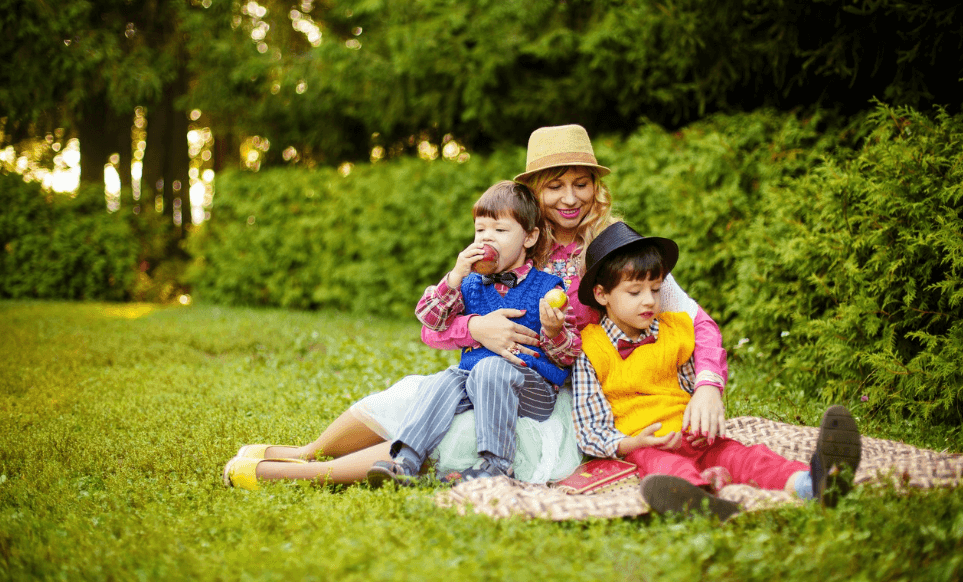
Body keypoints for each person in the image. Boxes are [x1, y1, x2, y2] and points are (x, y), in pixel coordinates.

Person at [222, 124, 728, 489]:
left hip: (562, 393)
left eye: (582, 183)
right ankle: (306, 451)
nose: (570, 198)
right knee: (414, 397)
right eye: (554, 185)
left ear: (597, 187)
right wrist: (477, 327)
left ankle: (305, 473)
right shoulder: (506, 241)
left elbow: (693, 321)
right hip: (485, 366)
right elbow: (435, 327)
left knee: (455, 430)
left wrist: (708, 386)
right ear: (532, 191)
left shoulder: (615, 248)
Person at [571, 221, 863, 520]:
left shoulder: (675, 330)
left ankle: (813, 484)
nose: (649, 300)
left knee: (748, 456)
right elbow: (592, 429)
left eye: (656, 289)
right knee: (668, 469)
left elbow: (690, 389)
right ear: (602, 294)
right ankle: (700, 501)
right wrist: (635, 442)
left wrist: (702, 426)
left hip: (694, 437)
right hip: (647, 444)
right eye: (635, 292)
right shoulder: (590, 349)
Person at [365, 180, 580, 487]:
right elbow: (430, 320)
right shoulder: (468, 284)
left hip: (532, 388)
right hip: (475, 380)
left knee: (491, 368)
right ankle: (406, 461)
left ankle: (497, 465)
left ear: (529, 237)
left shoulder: (548, 288)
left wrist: (554, 330)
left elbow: (569, 354)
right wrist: (454, 277)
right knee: (444, 378)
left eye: (500, 231)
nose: (486, 239)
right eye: (480, 230)